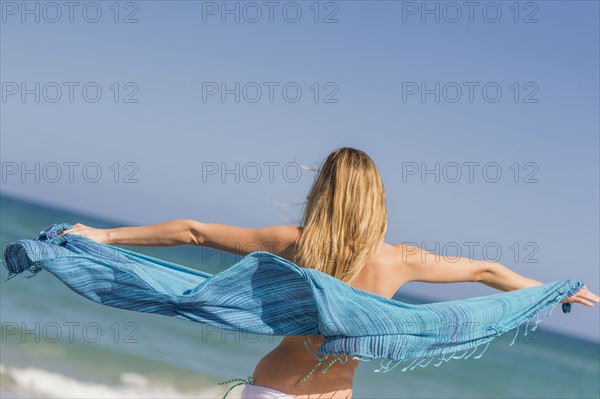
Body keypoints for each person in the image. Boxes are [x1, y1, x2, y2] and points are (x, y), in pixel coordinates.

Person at [58, 147, 599, 399]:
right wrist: (552, 291)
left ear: (324, 193)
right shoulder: (399, 258)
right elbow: (485, 271)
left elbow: (193, 231)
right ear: (376, 201)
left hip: (269, 388)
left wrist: (102, 236)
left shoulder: (294, 243)